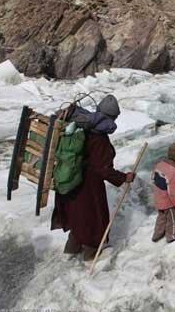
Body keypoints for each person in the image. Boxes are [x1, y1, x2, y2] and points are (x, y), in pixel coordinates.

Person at [51, 95, 136, 261]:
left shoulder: (80, 128)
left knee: (77, 216)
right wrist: (124, 177)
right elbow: (103, 169)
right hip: (88, 186)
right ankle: (91, 254)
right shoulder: (99, 137)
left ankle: (71, 250)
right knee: (93, 219)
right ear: (112, 117)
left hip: (71, 182)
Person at [152, 143, 175, 243]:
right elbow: (174, 191)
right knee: (172, 218)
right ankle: (171, 235)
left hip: (158, 197)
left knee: (161, 217)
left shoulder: (160, 164)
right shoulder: (174, 172)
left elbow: (153, 178)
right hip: (168, 202)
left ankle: (157, 234)